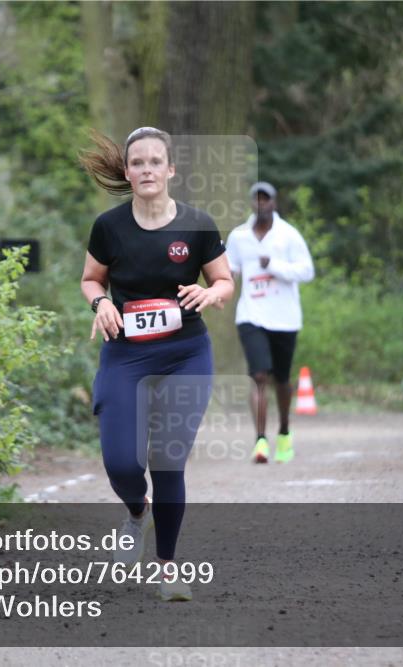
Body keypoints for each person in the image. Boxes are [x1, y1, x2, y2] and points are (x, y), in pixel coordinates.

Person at [79, 127, 234, 601]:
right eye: (138, 163)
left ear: (170, 169)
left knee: (168, 460)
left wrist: (210, 292)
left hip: (186, 353)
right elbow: (90, 279)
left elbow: (225, 281)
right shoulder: (110, 227)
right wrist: (100, 304)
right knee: (122, 462)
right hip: (126, 354)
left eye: (155, 162)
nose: (146, 170)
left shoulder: (197, 224)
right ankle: (135, 513)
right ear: (127, 172)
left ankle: (168, 569)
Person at [225, 182, 314, 464]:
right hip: (251, 314)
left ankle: (284, 433)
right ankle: (260, 441)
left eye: (266, 200)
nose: (261, 204)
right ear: (252, 203)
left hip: (285, 318)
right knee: (259, 375)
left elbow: (307, 271)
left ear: (274, 203)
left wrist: (273, 265)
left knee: (282, 380)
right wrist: (222, 283)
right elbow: (230, 271)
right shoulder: (238, 236)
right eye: (257, 200)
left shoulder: (288, 235)